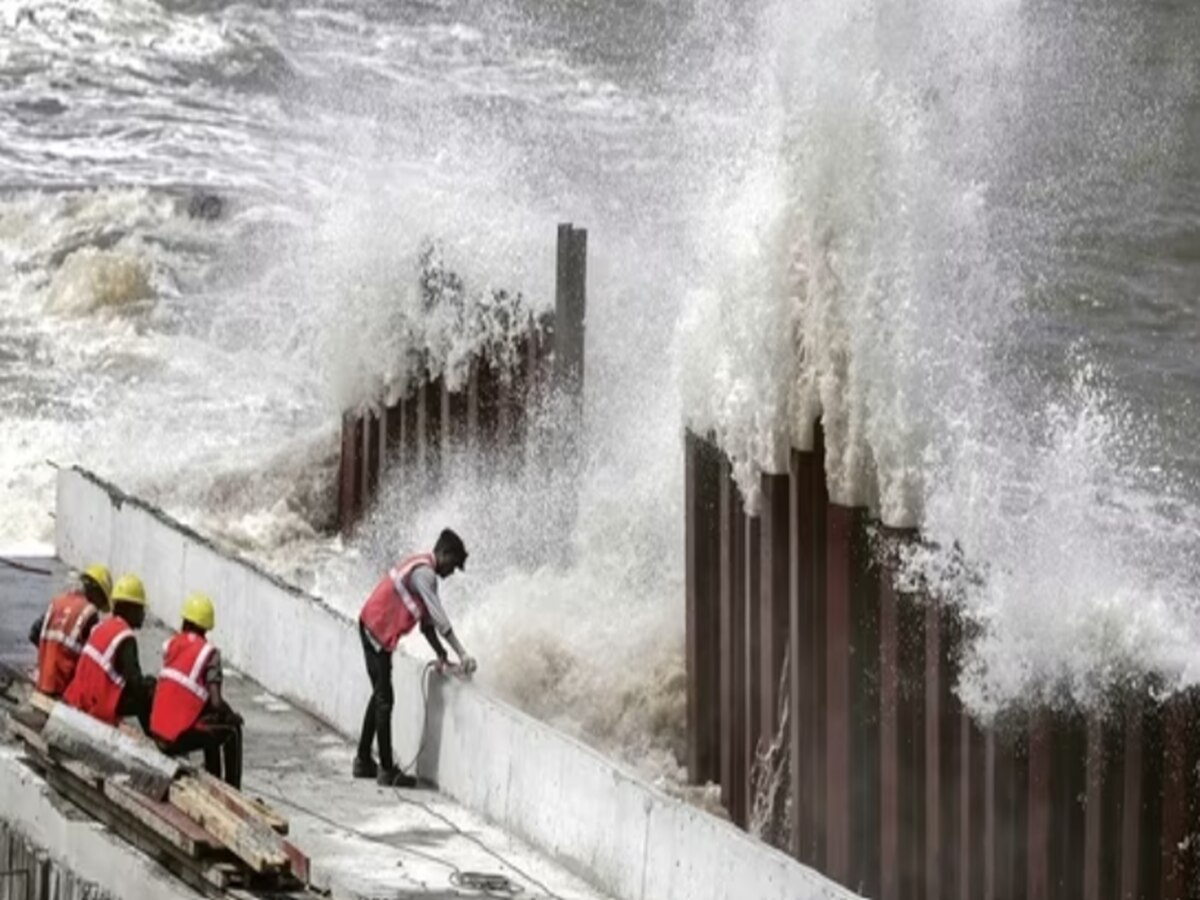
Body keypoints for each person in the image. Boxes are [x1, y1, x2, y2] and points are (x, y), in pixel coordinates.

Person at [355, 528, 476, 787]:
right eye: (453, 565)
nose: (452, 572)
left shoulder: (420, 567)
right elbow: (440, 617)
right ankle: (386, 770)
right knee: (385, 700)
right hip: (376, 631)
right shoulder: (426, 575)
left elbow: (426, 624)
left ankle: (363, 760)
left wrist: (441, 653)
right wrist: (462, 654)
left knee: (379, 695)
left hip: (371, 625)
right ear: (443, 554)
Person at [150, 593, 243, 788]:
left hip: (157, 732)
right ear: (206, 628)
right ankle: (233, 788)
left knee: (210, 722)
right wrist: (231, 716)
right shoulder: (209, 654)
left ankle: (213, 775)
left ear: (184, 621)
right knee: (231, 731)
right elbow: (216, 703)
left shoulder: (172, 644)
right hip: (175, 739)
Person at [63, 574, 156, 732]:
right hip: (97, 705)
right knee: (148, 690)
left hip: (78, 698)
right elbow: (135, 683)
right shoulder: (126, 637)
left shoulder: (102, 626)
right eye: (140, 608)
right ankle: (154, 738)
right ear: (130, 609)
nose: (143, 614)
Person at [28, 564, 112, 697]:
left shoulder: (57, 602)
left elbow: (33, 633)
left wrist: (49, 658)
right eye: (101, 602)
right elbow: (91, 659)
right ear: (97, 593)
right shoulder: (89, 613)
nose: (99, 607)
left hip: (43, 680)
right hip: (64, 687)